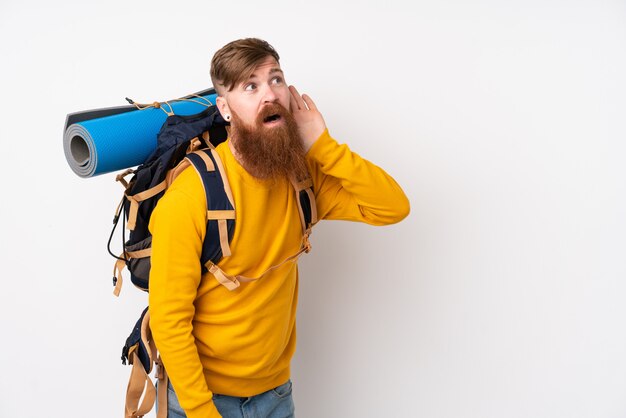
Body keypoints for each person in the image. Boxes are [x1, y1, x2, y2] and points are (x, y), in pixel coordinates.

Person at [149, 38, 410, 418]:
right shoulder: (193, 194)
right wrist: (203, 412)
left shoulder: (301, 180)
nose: (269, 94)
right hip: (200, 400)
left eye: (275, 79)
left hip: (276, 396)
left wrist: (323, 145)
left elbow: (392, 207)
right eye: (250, 86)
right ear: (225, 108)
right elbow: (168, 318)